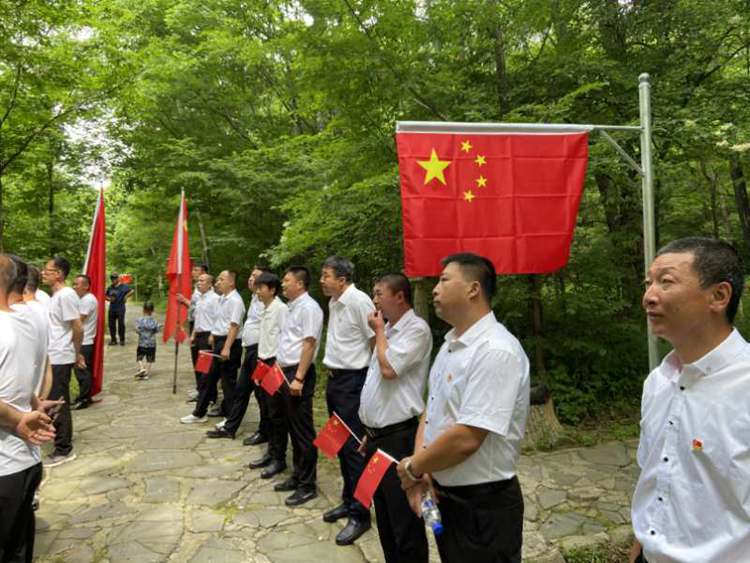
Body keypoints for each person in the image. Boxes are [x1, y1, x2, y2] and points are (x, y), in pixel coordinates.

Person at [396, 253, 530, 563]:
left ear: (473, 289)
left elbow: (467, 437)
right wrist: (422, 466)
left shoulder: (496, 350)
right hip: (447, 496)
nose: (435, 289)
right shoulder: (450, 345)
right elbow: (432, 410)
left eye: (444, 280)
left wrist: (412, 468)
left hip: (483, 506)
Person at [629, 237, 750, 563]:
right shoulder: (658, 382)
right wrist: (640, 545)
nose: (649, 296)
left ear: (719, 296)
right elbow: (652, 476)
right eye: (648, 283)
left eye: (666, 282)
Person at [359, 274, 431, 563]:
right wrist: (369, 430)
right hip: (377, 437)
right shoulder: (387, 329)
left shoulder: (417, 329)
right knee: (385, 517)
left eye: (379, 293)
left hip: (399, 438)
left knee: (405, 521)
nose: (374, 300)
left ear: (400, 296)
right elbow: (376, 384)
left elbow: (389, 370)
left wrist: (378, 332)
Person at [320, 256, 375, 545]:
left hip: (353, 382)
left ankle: (360, 514)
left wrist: (371, 384)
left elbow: (375, 341)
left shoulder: (359, 301)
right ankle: (348, 499)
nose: (322, 280)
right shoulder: (334, 301)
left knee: (355, 449)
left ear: (342, 280)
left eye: (326, 276)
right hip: (335, 380)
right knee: (340, 444)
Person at [0, 254, 51, 562]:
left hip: (5, 463)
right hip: (24, 461)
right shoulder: (28, 320)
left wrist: (18, 417)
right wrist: (31, 403)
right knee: (18, 551)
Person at [268, 266, 322, 505]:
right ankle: (298, 475)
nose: (283, 283)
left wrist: (299, 377)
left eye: (287, 280)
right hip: (284, 370)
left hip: (298, 373)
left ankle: (308, 484)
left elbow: (309, 343)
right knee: (290, 426)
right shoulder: (291, 307)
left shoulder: (309, 308)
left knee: (302, 430)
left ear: (299, 284)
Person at [208, 266, 269, 440]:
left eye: (255, 276)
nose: (251, 279)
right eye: (250, 275)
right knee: (241, 391)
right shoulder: (255, 299)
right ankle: (230, 428)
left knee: (261, 395)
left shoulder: (270, 304)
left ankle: (264, 431)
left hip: (260, 354)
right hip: (250, 352)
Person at [182, 270, 244, 423]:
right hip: (217, 341)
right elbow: (217, 320)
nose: (218, 283)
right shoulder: (222, 299)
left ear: (231, 282)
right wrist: (213, 336)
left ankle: (229, 418)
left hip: (229, 343)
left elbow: (234, 326)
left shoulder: (235, 301)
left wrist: (227, 347)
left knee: (227, 382)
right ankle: (199, 413)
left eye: (221, 280)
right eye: (217, 280)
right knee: (207, 377)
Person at [42, 256, 85, 467]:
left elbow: (77, 326)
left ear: (59, 274)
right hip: (53, 354)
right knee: (53, 399)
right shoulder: (55, 296)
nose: (43, 273)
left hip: (61, 355)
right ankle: (58, 440)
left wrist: (76, 353)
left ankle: (64, 449)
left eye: (47, 270)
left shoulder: (66, 295)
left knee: (58, 401)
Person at [187, 273, 218, 401]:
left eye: (202, 281)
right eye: (198, 281)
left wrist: (212, 334)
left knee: (206, 369)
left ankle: (211, 397)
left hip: (208, 336)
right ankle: (201, 393)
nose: (199, 283)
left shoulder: (215, 299)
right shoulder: (199, 298)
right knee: (198, 367)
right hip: (198, 335)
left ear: (210, 284)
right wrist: (193, 335)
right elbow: (197, 319)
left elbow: (218, 318)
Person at [72, 274, 97, 409]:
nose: (74, 287)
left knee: (82, 371)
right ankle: (85, 396)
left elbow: (78, 320)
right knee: (82, 370)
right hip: (83, 340)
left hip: (84, 340)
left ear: (86, 286)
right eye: (74, 284)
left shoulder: (87, 300)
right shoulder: (84, 299)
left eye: (77, 284)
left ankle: (84, 399)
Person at [177, 262, 208, 337]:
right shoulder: (196, 286)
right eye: (192, 270)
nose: (193, 272)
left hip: (202, 324)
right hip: (195, 322)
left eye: (196, 270)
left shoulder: (206, 288)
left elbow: (200, 307)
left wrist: (184, 300)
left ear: (203, 272)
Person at [105, 272, 133, 345]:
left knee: (121, 324)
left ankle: (122, 340)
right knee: (111, 325)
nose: (113, 279)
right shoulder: (110, 287)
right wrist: (109, 299)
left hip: (120, 308)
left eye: (115, 278)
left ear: (118, 278)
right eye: (112, 278)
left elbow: (131, 291)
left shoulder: (124, 286)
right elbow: (105, 296)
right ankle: (113, 340)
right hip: (112, 308)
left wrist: (126, 296)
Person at [135, 302, 160, 380]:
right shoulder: (154, 321)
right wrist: (158, 327)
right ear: (152, 310)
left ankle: (142, 368)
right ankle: (146, 374)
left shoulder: (139, 320)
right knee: (149, 359)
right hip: (151, 344)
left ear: (143, 310)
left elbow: (137, 330)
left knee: (139, 357)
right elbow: (156, 330)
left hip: (142, 343)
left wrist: (140, 332)